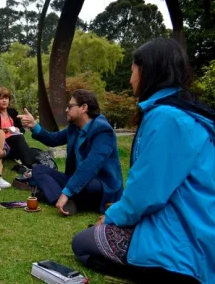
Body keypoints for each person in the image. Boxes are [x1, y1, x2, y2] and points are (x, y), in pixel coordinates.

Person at [71, 39, 215, 283]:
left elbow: (147, 190)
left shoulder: (167, 118)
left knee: (83, 242)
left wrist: (113, 215)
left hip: (184, 237)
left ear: (148, 70)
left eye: (133, 71)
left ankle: (163, 272)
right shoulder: (183, 112)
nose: (130, 80)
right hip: (195, 222)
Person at [18, 89, 123, 214]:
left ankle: (52, 195)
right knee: (38, 170)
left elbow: (90, 166)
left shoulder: (103, 131)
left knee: (88, 184)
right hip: (75, 180)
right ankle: (63, 201)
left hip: (100, 185)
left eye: (70, 106)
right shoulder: (74, 127)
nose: (66, 110)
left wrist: (67, 191)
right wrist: (34, 125)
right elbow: (52, 139)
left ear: (83, 108)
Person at [0, 87, 35, 168]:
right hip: (2, 144)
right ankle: (30, 165)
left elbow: (22, 130)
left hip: (14, 143)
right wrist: (1, 131)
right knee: (19, 139)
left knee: (20, 138)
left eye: (6, 98)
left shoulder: (13, 112)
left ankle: (29, 163)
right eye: (1, 98)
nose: (4, 100)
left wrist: (17, 129)